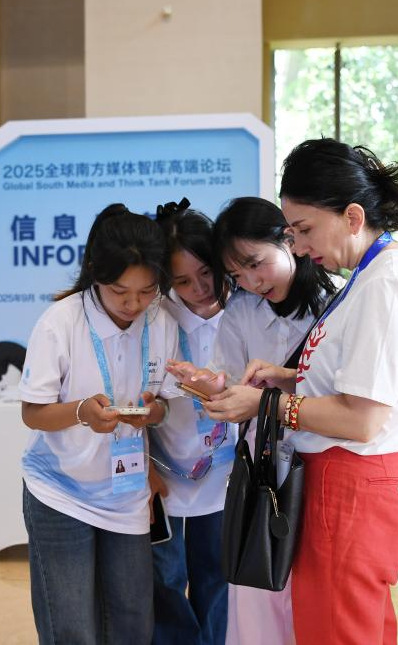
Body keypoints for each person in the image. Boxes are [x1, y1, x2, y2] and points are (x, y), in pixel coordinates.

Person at [214, 139, 398, 644]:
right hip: (343, 483)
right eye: (292, 233)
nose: (297, 246)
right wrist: (286, 377)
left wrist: (267, 403)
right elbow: (355, 383)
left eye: (305, 229)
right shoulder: (370, 277)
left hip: (354, 485)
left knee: (337, 631)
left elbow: (361, 419)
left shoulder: (386, 284)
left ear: (353, 217)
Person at [166, 196, 338, 645]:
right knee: (259, 586)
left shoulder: (337, 302)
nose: (252, 281)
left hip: (326, 463)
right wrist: (206, 386)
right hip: (263, 471)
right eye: (238, 274)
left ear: (289, 239)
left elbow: (348, 396)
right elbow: (229, 386)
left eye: (256, 264)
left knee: (316, 589)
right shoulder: (242, 310)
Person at [18, 203, 178, 645]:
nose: (133, 304)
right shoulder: (60, 322)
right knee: (73, 627)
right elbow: (32, 412)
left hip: (125, 493)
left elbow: (164, 404)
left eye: (147, 291)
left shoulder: (160, 320)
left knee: (133, 620)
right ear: (94, 274)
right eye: (119, 291)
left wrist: (154, 411)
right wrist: (82, 412)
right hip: (60, 491)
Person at [147, 199, 231, 645]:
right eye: (182, 281)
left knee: (215, 577)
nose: (199, 289)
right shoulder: (155, 318)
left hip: (225, 474)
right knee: (166, 579)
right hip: (166, 474)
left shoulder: (243, 310)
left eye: (206, 273)